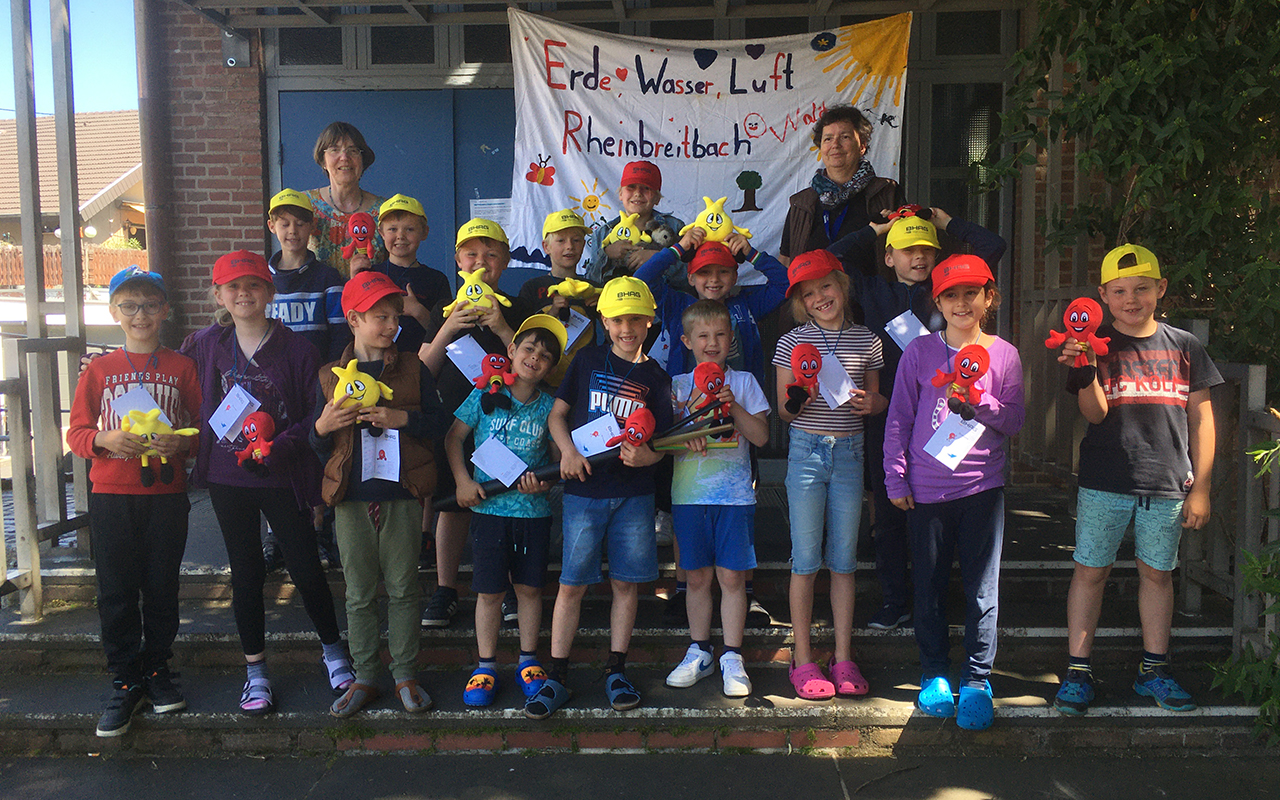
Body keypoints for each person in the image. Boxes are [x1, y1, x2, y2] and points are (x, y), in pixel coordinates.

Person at [181, 250, 353, 715]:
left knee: (304, 564)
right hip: (226, 474)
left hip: (284, 474)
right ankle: (255, 670)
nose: (243, 294)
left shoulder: (299, 350)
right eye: (233, 287)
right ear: (218, 294)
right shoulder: (206, 344)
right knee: (246, 572)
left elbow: (311, 418)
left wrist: (278, 448)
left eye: (253, 285)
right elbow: (171, 375)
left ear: (270, 292)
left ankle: (334, 651)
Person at [1052, 244, 1221, 716]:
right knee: (1090, 571)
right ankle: (1078, 670)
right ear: (1103, 295)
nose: (1132, 299)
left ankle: (1155, 669)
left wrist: (1202, 487)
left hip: (1168, 483)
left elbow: (1203, 419)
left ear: (1160, 289)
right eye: (1121, 290)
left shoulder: (1184, 345)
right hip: (1105, 480)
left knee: (1157, 575)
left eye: (1142, 288)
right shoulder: (1093, 343)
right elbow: (1096, 414)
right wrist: (1085, 371)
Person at [827, 209, 1007, 630]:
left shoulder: (945, 293)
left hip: (945, 417)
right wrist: (875, 230)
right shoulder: (871, 290)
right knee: (888, 511)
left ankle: (941, 600)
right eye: (908, 249)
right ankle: (895, 601)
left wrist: (948, 222)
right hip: (883, 413)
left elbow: (993, 247)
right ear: (889, 257)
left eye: (927, 249)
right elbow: (829, 257)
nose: (919, 257)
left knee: (941, 514)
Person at [883, 254, 1025, 731]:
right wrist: (895, 475)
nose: (962, 303)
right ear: (937, 301)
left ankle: (979, 680)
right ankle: (934, 674)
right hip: (926, 490)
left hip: (983, 487)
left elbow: (1014, 421)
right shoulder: (919, 353)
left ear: (989, 297)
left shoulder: (1004, 354)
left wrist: (980, 400)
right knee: (928, 585)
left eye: (971, 293)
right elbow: (899, 416)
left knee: (982, 590)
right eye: (951, 295)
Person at [528, 276, 673, 719]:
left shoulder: (656, 377)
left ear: (650, 321)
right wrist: (567, 450)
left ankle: (616, 669)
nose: (626, 328)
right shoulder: (587, 359)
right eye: (617, 320)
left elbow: (664, 444)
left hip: (633, 495)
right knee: (572, 584)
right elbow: (557, 415)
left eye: (635, 319)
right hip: (584, 493)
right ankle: (557, 676)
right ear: (604, 322)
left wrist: (647, 457)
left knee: (626, 583)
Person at [68, 267, 202, 738]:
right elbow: (77, 433)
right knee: (117, 590)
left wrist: (180, 444)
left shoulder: (182, 367)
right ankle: (125, 679)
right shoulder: (99, 370)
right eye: (129, 305)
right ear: (113, 312)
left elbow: (199, 431)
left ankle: (159, 671)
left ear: (164, 310)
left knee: (162, 586)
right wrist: (105, 437)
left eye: (149, 304)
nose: (140, 314)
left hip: (165, 496)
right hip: (111, 494)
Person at [634, 226, 788, 625]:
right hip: (684, 426)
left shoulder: (747, 304)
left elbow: (785, 282)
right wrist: (679, 248)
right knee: (684, 509)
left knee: (740, 503)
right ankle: (687, 590)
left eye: (722, 272)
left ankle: (746, 593)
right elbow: (641, 281)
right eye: (704, 273)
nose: (714, 280)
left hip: (738, 416)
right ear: (690, 276)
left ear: (735, 276)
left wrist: (751, 252)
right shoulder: (676, 305)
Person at [311, 271, 444, 716]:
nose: (392, 326)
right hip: (350, 497)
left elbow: (441, 425)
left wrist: (402, 418)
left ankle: (405, 672)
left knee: (405, 589)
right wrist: (321, 428)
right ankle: (366, 675)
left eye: (396, 317)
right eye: (380, 317)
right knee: (358, 592)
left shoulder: (413, 368)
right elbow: (315, 444)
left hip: (402, 493)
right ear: (353, 319)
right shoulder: (330, 375)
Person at [772, 250, 885, 700]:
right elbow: (784, 411)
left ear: (843, 285)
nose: (821, 297)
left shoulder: (867, 340)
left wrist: (872, 404)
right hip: (806, 451)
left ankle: (842, 656)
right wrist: (803, 392)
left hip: (851, 452)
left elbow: (876, 402)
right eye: (809, 292)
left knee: (843, 560)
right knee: (805, 559)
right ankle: (802, 659)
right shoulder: (790, 342)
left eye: (827, 286)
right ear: (800, 301)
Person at [446, 314, 567, 708]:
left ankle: (528, 660)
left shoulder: (550, 407)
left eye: (545, 356)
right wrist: (464, 482)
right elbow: (454, 438)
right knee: (489, 592)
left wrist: (546, 483)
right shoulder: (483, 394)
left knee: (530, 589)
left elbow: (554, 460)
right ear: (511, 350)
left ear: (551, 367)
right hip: (489, 512)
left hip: (532, 513)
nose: (535, 358)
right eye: (529, 348)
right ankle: (485, 665)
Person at [418, 219, 530, 629]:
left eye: (491, 254)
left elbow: (533, 365)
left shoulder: (518, 308)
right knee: (453, 503)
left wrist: (500, 325)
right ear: (457, 260)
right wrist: (450, 325)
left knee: (508, 504)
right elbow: (421, 373)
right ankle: (446, 589)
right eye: (471, 254)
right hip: (456, 426)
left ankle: (511, 591)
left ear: (505, 261)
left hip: (507, 427)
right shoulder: (443, 310)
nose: (481, 262)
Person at [663, 300, 770, 698]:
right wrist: (689, 416)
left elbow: (760, 437)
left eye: (721, 335)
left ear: (732, 340)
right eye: (703, 336)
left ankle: (732, 655)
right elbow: (665, 448)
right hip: (690, 497)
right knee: (697, 578)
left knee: (731, 577)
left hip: (735, 496)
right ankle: (699, 649)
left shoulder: (743, 382)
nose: (712, 343)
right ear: (687, 341)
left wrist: (730, 404)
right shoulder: (675, 386)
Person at [779, 105, 903, 265]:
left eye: (845, 137)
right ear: (821, 148)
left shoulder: (887, 193)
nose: (835, 145)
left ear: (862, 146)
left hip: (870, 289)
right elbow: (786, 261)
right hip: (815, 289)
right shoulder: (801, 203)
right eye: (828, 139)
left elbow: (905, 251)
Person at [357, 193, 451, 354]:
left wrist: (417, 311)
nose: (400, 236)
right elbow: (356, 325)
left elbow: (447, 335)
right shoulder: (370, 275)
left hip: (421, 364)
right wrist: (355, 279)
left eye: (410, 229)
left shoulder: (436, 280)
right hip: (378, 363)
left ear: (424, 233)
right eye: (392, 229)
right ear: (381, 232)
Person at [266, 188, 351, 362]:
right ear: (271, 226)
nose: (292, 230)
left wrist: (328, 376)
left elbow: (341, 335)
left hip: (318, 378)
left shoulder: (328, 278)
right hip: (272, 379)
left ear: (312, 227)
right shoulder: (261, 279)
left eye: (300, 223)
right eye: (285, 224)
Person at [518, 209, 598, 388]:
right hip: (540, 379)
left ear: (584, 245)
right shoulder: (532, 287)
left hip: (584, 378)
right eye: (561, 240)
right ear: (546, 247)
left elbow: (610, 333)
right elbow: (521, 336)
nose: (569, 246)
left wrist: (604, 306)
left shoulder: (592, 288)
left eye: (576, 240)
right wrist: (552, 312)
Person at [305, 121, 389, 276]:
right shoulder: (306, 205)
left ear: (362, 160)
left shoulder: (384, 210)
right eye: (334, 150)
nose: (344, 157)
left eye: (353, 151)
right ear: (323, 161)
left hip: (371, 298)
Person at [585, 160, 686, 284]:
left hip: (661, 302)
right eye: (631, 187)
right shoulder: (603, 233)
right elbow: (591, 282)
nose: (638, 193)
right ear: (621, 194)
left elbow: (689, 277)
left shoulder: (675, 228)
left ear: (657, 198)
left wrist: (659, 259)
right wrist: (606, 255)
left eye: (646, 188)